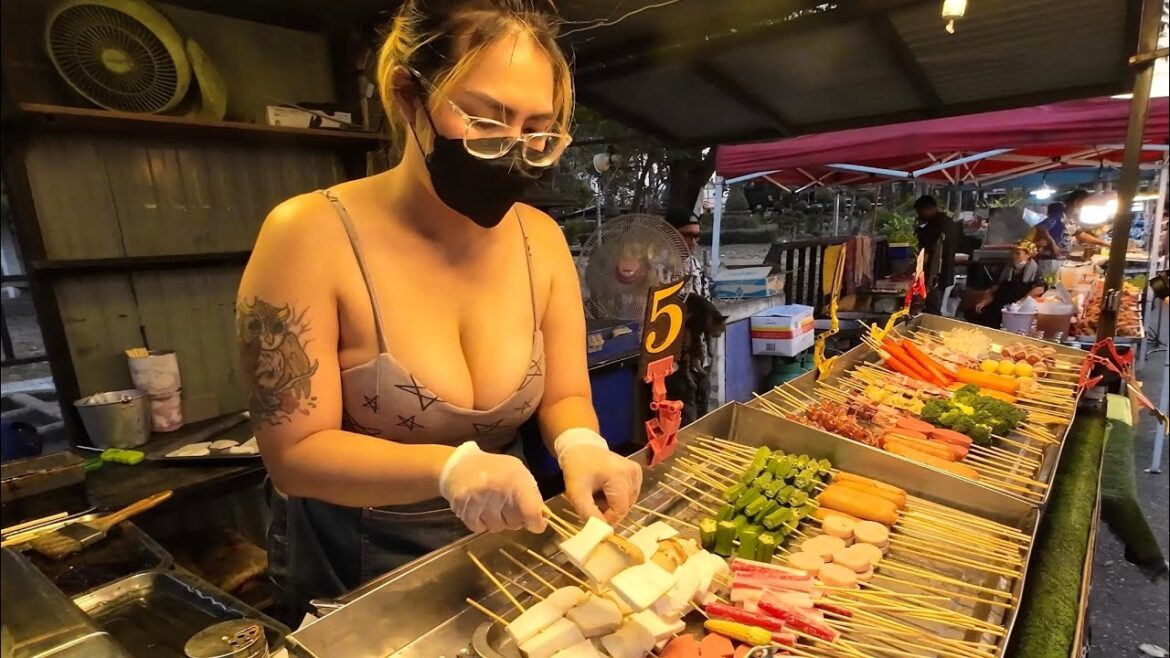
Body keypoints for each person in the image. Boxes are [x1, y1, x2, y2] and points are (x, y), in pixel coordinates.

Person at [237, 0, 642, 613]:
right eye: (485, 121)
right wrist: (448, 470)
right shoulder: (309, 236)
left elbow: (562, 395)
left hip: (502, 547)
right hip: (357, 566)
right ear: (408, 96)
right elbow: (294, 456)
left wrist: (581, 444)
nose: (514, 153)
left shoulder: (542, 241)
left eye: (538, 132)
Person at [965, 240, 1046, 328]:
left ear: (1028, 255)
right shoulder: (1006, 267)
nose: (1013, 256)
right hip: (999, 302)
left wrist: (1020, 302)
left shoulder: (1034, 270)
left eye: (1018, 253)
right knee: (975, 313)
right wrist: (985, 301)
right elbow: (995, 287)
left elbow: (1039, 288)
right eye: (1013, 253)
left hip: (1016, 306)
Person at [913, 195, 959, 314]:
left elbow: (926, 255)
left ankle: (932, 330)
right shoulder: (949, 223)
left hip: (935, 276)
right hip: (948, 273)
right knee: (940, 307)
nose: (919, 215)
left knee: (933, 308)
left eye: (920, 212)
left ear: (927, 209)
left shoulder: (932, 227)